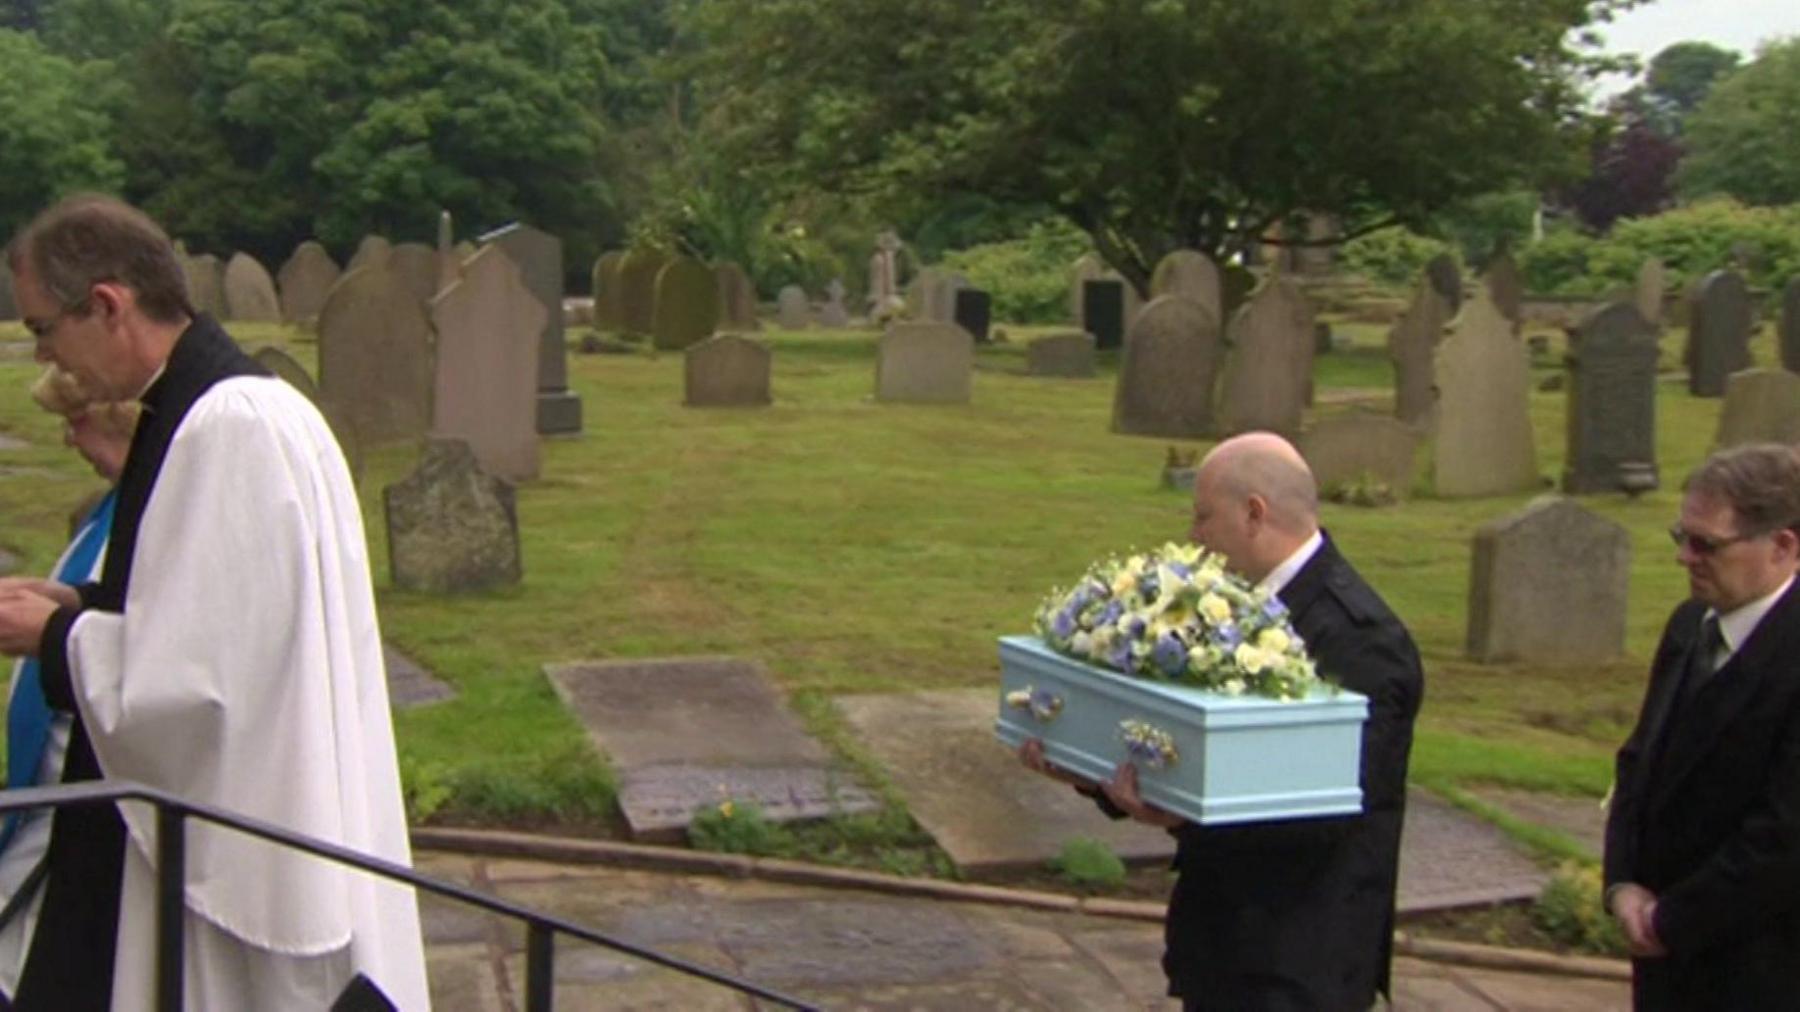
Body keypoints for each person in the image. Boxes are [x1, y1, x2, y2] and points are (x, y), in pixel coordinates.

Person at [0, 195, 428, 1010]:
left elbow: (199, 690)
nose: (48, 361)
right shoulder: (230, 407)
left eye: (44, 330)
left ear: (106, 305)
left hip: (241, 853)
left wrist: (56, 637)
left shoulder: (228, 428)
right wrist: (77, 597)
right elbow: (208, 610)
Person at [1020, 431, 1424, 1009]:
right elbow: (1182, 738)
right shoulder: (1223, 611)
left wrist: (1179, 817)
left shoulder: (1362, 645)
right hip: (1220, 943)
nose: (1194, 536)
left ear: (1254, 514)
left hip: (1297, 967)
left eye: (1204, 516)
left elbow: (1326, 821)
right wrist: (1086, 772)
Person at [1603, 443, 1800, 1008]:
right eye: (1680, 537)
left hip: (1760, 966)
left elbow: (1784, 837)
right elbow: (1639, 763)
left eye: (1706, 544)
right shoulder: (1689, 628)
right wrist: (1623, 885)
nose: (1684, 558)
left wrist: (1670, 921)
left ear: (1782, 546)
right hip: (1665, 965)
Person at [0, 367, 137, 1001]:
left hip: (71, 818)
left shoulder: (145, 516)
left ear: (120, 413)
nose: (68, 441)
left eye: (76, 421)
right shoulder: (114, 507)